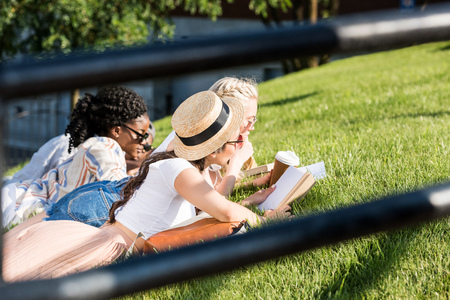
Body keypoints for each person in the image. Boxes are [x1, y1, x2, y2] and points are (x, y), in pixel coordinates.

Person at [2, 91, 291, 282]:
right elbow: (226, 212)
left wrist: (250, 201)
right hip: (113, 245)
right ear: (213, 150)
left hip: (109, 233)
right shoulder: (179, 170)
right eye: (235, 141)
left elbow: (208, 210)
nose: (240, 144)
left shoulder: (177, 164)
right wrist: (268, 220)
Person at [1, 85, 149, 228]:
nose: (145, 142)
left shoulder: (98, 145)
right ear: (116, 130)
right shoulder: (106, 146)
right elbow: (120, 191)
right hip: (20, 200)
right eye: (141, 134)